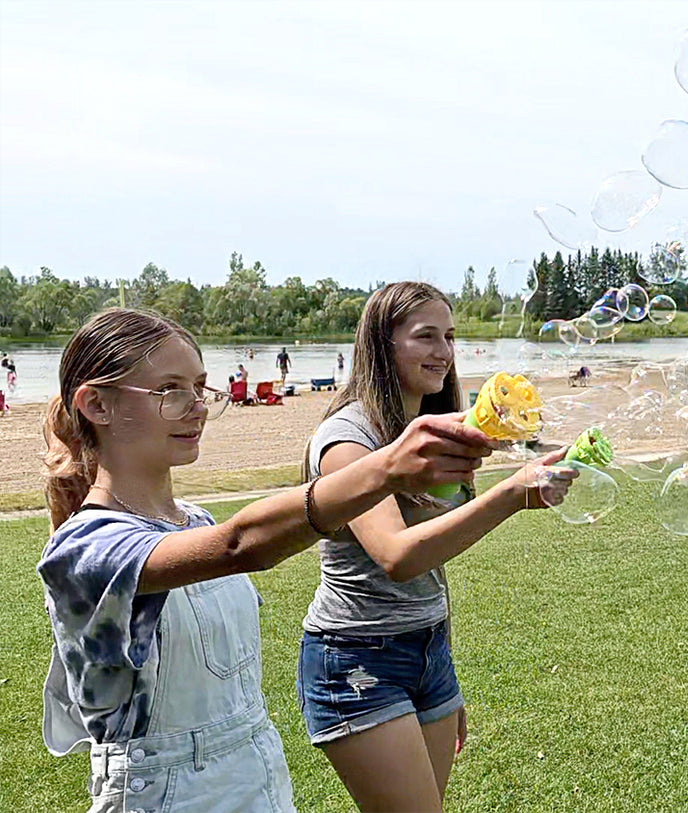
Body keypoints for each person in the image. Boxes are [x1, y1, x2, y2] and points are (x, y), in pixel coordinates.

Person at [36, 307, 503, 812]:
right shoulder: (84, 548)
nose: (196, 406)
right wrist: (386, 467)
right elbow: (242, 544)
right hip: (163, 796)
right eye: (170, 390)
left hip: (257, 778)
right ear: (96, 405)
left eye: (200, 387)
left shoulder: (193, 519)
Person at [297, 282, 576, 812]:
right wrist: (512, 494)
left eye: (449, 336)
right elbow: (397, 555)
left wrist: (439, 669)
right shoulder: (347, 439)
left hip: (425, 649)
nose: (444, 352)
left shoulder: (431, 429)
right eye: (425, 336)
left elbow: (433, 563)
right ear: (383, 344)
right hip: (358, 657)